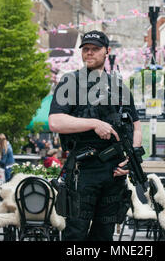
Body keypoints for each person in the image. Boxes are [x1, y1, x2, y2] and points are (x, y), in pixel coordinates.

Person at [48, 30, 142, 241]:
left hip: (114, 172)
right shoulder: (70, 82)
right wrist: (94, 123)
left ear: (107, 51)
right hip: (84, 170)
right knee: (75, 234)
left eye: (95, 49)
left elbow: (136, 126)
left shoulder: (119, 87)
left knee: (104, 235)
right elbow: (55, 121)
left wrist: (132, 158)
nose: (89, 53)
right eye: (86, 49)